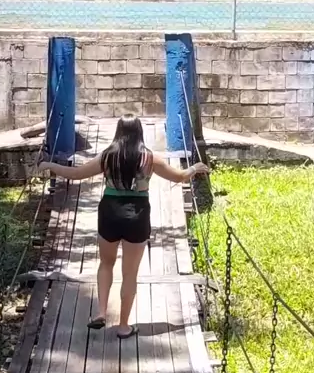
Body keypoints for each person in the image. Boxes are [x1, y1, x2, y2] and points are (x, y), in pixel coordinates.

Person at [38, 114, 208, 338]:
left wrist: (50, 164)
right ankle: (124, 326)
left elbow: (76, 174)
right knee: (130, 274)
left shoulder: (108, 157)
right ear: (139, 132)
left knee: (106, 264)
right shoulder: (150, 158)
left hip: (109, 212)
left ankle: (101, 312)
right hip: (137, 215)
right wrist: (194, 168)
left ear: (118, 132)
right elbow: (179, 177)